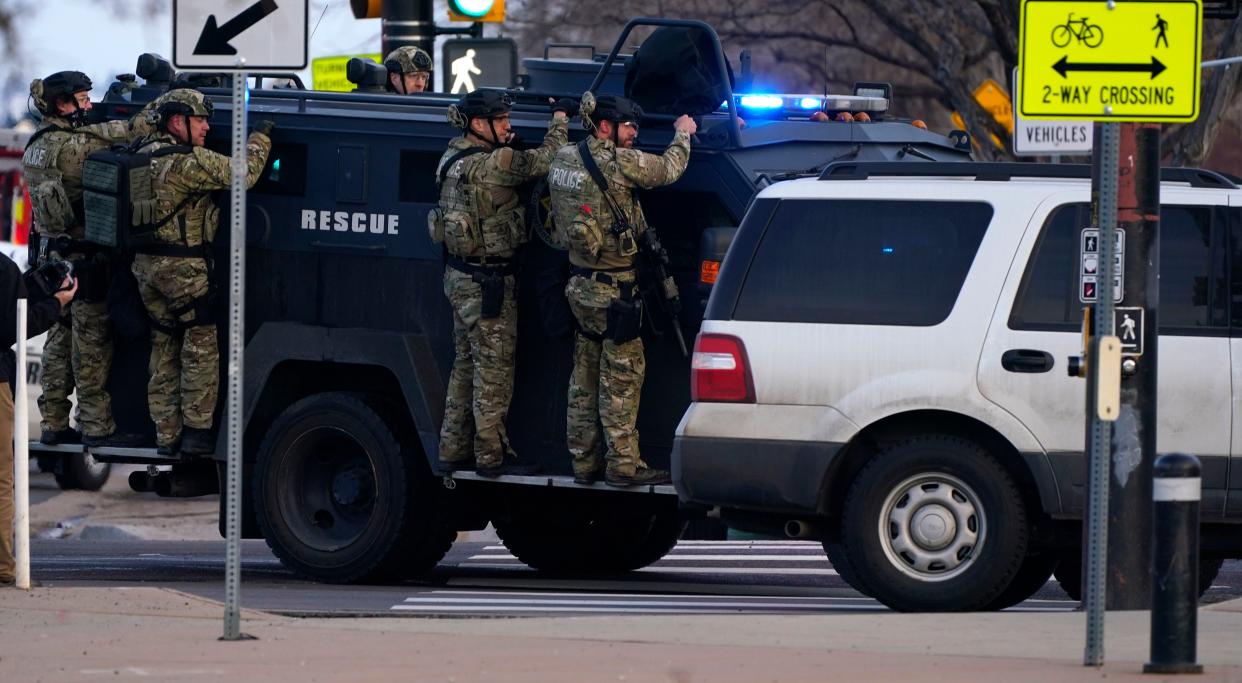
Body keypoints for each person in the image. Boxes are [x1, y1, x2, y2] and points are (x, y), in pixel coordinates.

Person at [547, 93, 695, 487]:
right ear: (607, 126)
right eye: (629, 127)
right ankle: (623, 465)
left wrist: (558, 120)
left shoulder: (563, 158)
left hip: (578, 285)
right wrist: (683, 134)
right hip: (615, 292)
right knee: (622, 379)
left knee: (584, 376)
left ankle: (582, 462)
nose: (634, 135)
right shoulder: (619, 163)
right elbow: (667, 169)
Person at [434, 90, 571, 476]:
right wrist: (559, 118)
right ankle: (491, 455)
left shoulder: (451, 158)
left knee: (464, 365)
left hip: (458, 277)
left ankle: (452, 446)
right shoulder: (497, 163)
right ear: (479, 124)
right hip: (490, 282)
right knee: (493, 371)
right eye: (501, 119)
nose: (509, 125)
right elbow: (548, 159)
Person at [129, 88, 272, 455]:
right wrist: (260, 137)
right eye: (200, 120)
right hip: (183, 270)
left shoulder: (139, 155)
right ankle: (196, 434)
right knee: (199, 346)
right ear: (178, 122)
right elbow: (247, 173)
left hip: (144, 269)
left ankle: (165, 436)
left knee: (162, 347)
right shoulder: (187, 163)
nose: (208, 127)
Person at [23, 70, 152, 447]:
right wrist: (149, 115)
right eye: (82, 99)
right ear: (63, 103)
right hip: (84, 262)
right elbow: (120, 137)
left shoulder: (37, 144)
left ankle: (53, 422)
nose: (88, 105)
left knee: (58, 344)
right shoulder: (73, 148)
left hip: (51, 261)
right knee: (91, 347)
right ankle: (95, 427)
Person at [1, 253, 76, 586]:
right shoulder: (4, 269)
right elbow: (15, 325)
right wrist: (57, 302)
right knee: (1, 480)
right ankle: (3, 566)